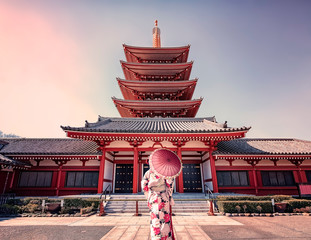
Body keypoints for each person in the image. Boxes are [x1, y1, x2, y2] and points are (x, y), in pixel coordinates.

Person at [141, 168, 175, 240]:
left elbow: (144, 185)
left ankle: (156, 237)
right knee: (165, 218)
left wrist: (148, 196)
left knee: (155, 219)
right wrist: (169, 195)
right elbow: (170, 184)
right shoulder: (165, 172)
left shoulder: (148, 172)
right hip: (163, 198)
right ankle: (165, 237)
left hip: (153, 198)